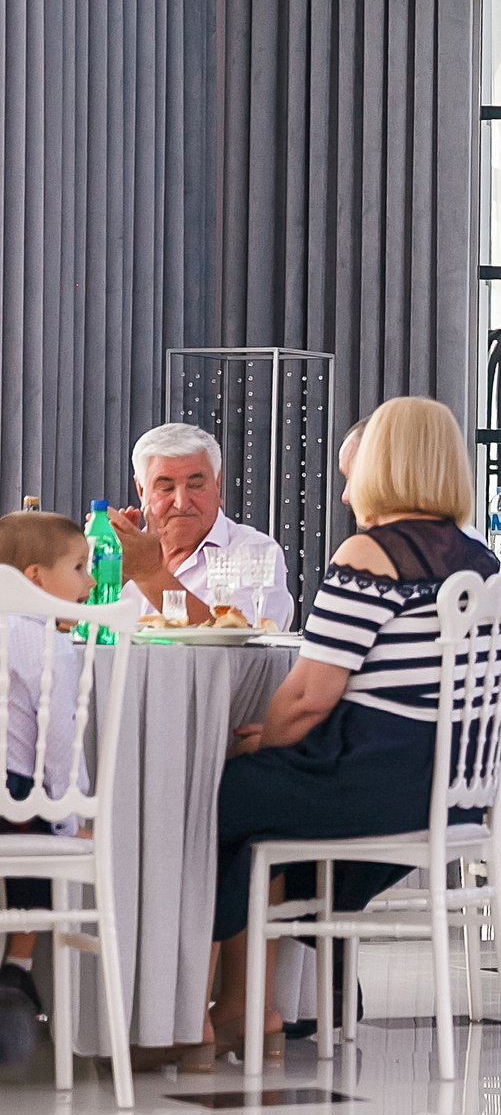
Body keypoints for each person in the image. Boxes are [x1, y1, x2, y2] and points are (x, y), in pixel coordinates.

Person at [206, 397, 501, 1057]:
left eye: (354, 474)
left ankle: (197, 1010)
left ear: (385, 466)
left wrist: (269, 743)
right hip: (452, 789)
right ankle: (254, 1010)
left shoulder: (372, 553)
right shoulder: (481, 563)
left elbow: (307, 698)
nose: (346, 492)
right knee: (260, 808)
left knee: (216, 796)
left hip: (376, 784)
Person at [0, 512, 97, 1061]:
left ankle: (16, 970)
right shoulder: (48, 643)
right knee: (39, 814)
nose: (90, 580)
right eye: (79, 567)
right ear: (35, 577)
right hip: (16, 805)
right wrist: (69, 818)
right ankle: (18, 966)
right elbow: (59, 748)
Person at [108, 423, 295, 630]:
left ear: (217, 484)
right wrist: (112, 577)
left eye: (196, 486)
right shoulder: (121, 552)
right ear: (141, 491)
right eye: (166, 488)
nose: (181, 503)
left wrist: (148, 572)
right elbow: (83, 631)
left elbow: (243, 640)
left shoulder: (255, 552)